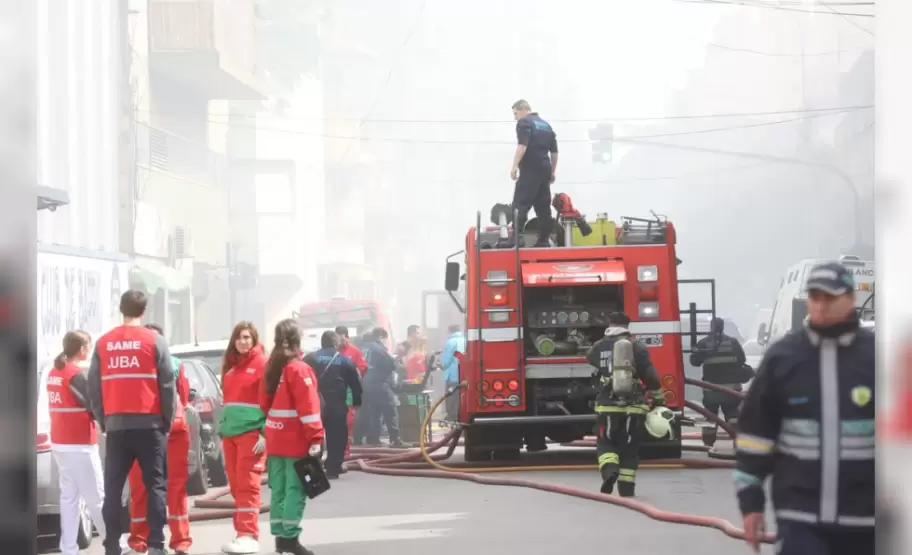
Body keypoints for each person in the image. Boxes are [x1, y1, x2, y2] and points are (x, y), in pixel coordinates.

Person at [734, 261, 875, 554]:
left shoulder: (876, 357)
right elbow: (755, 434)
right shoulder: (783, 358)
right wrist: (750, 503)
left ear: (850, 299)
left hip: (868, 521)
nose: (820, 306)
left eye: (830, 298)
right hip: (800, 518)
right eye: (815, 298)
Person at [87, 290, 176, 555]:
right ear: (144, 310)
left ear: (120, 309)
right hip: (150, 426)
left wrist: (104, 420)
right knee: (156, 487)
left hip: (116, 427)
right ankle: (156, 545)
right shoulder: (155, 341)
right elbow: (167, 384)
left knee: (113, 488)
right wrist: (166, 421)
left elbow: (94, 387)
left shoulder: (103, 343)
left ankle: (112, 545)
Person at [259, 319, 324, 555]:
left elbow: (264, 405)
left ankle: (279, 538)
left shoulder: (272, 367)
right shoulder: (299, 369)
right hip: (296, 442)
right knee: (296, 490)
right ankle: (290, 539)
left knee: (279, 490)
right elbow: (309, 409)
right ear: (298, 340)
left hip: (275, 440)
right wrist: (316, 438)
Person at [126, 323, 192, 555]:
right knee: (142, 488)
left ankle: (178, 541)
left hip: (167, 433)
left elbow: (182, 397)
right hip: (152, 432)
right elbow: (182, 397)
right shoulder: (169, 365)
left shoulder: (173, 365)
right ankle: (143, 542)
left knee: (171, 488)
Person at [586, 312, 666, 497]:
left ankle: (610, 470)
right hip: (634, 406)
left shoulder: (598, 347)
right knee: (630, 447)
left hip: (607, 405)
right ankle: (627, 488)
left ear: (610, 324)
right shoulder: (637, 347)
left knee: (606, 442)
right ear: (627, 326)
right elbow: (651, 377)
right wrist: (658, 398)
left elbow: (590, 358)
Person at [47, 330, 109, 555]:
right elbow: (92, 405)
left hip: (61, 443)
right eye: (88, 346)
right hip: (79, 443)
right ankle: (111, 542)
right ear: (81, 349)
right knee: (96, 497)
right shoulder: (75, 374)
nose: (89, 350)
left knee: (69, 497)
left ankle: (69, 548)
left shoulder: (55, 372)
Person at [218, 322, 268, 554]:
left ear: (255, 339)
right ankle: (242, 534)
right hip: (231, 435)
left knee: (248, 485)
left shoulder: (263, 365)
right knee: (237, 487)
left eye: (247, 337)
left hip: (252, 434)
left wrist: (266, 433)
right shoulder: (231, 369)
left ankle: (248, 535)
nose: (242, 341)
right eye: (239, 337)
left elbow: (274, 401)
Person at [304, 331, 363, 479]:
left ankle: (313, 471)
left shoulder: (310, 358)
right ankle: (333, 469)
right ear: (336, 344)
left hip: (313, 405)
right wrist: (357, 402)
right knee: (337, 437)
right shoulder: (345, 360)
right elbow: (356, 384)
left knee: (312, 437)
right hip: (336, 405)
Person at [689, 317, 751, 447]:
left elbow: (694, 362)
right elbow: (741, 360)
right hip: (732, 390)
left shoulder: (704, 343)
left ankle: (708, 444)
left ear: (711, 327)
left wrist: (696, 352)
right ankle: (737, 442)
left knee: (710, 416)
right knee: (733, 414)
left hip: (711, 390)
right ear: (723, 327)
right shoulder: (733, 342)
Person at [509, 99, 558, 248]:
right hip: (544, 168)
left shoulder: (524, 123)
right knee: (543, 206)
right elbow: (554, 152)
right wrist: (552, 172)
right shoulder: (546, 126)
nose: (515, 117)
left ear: (522, 109)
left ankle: (517, 239)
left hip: (530, 167)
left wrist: (514, 166)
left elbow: (522, 146)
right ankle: (543, 240)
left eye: (515, 113)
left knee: (520, 204)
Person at [361, 327, 405, 448]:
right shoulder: (378, 348)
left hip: (368, 384)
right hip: (380, 384)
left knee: (375, 413)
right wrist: (395, 360)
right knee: (391, 411)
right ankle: (395, 439)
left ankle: (374, 439)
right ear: (381, 336)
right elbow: (391, 365)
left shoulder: (367, 348)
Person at [334, 326, 367, 459]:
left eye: (343, 336)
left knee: (348, 420)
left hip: (348, 390)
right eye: (338, 336)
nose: (341, 339)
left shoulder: (354, 351)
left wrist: (355, 374)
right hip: (333, 390)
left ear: (347, 337)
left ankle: (346, 450)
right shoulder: (332, 351)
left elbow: (363, 367)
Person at [439, 324, 465, 423]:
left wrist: (440, 365)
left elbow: (446, 361)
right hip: (464, 376)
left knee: (451, 399)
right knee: (461, 399)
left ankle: (453, 420)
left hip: (453, 377)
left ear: (449, 331)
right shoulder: (465, 340)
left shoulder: (450, 342)